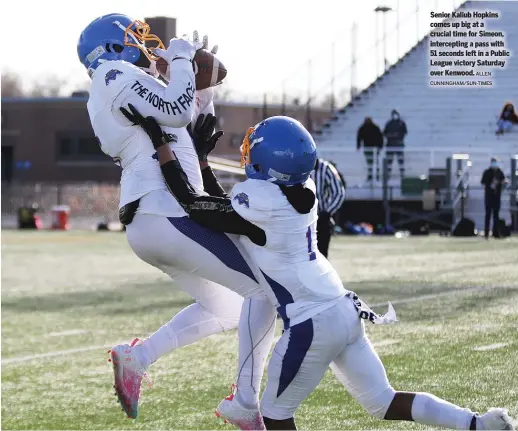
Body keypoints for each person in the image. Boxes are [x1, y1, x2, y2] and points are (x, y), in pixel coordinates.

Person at [126, 107, 515, 431]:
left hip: (310, 323)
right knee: (383, 401)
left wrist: (165, 145)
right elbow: (225, 208)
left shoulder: (260, 201)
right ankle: (477, 424)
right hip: (343, 310)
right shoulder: (303, 190)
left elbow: (197, 205)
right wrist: (204, 162)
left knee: (276, 418)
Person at [77, 15, 276, 426]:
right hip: (166, 214)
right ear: (113, 47)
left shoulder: (123, 87)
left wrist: (202, 90)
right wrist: (183, 60)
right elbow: (176, 109)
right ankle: (245, 403)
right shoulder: (113, 74)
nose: (146, 43)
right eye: (134, 36)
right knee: (266, 291)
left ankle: (137, 356)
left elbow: (184, 119)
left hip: (158, 219)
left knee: (230, 308)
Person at [311, 158, 346, 257]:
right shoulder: (296, 166)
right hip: (300, 219)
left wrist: (327, 213)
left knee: (321, 255)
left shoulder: (326, 168)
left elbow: (339, 193)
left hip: (321, 220)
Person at [481, 158, 508, 239]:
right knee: (488, 215)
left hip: (497, 196)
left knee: (496, 215)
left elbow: (504, 180)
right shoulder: (487, 172)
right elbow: (483, 182)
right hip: (489, 196)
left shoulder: (499, 172)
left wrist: (502, 182)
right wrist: (490, 184)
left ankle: (496, 233)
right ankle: (486, 233)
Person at [356, 117, 384, 182]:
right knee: (369, 162)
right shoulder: (362, 128)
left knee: (376, 162)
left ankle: (377, 176)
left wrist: (380, 146)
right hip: (367, 147)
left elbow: (380, 137)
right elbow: (359, 137)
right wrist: (358, 145)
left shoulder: (375, 128)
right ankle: (370, 175)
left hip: (375, 147)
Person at [383, 109, 407, 180]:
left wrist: (398, 136)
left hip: (398, 144)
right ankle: (388, 175)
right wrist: (390, 135)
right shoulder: (389, 123)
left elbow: (404, 132)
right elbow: (385, 133)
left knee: (400, 161)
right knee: (389, 161)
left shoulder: (401, 123)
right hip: (390, 145)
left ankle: (402, 174)